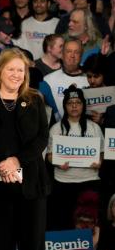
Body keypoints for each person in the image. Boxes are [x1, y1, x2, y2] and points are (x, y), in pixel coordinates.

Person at [0, 48, 49, 250]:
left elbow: (42, 138)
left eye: (21, 70)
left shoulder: (35, 99)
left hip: (31, 186)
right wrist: (2, 165)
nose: (16, 74)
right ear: (0, 70)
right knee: (2, 247)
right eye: (11, 69)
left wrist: (16, 161)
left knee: (33, 248)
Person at [47, 85, 103, 230]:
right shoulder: (56, 128)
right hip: (63, 183)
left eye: (77, 102)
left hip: (89, 182)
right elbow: (48, 155)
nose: (74, 106)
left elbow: (102, 153)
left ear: (83, 105)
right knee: (63, 223)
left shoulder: (94, 128)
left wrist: (100, 162)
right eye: (70, 103)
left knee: (89, 224)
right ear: (65, 106)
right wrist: (57, 162)